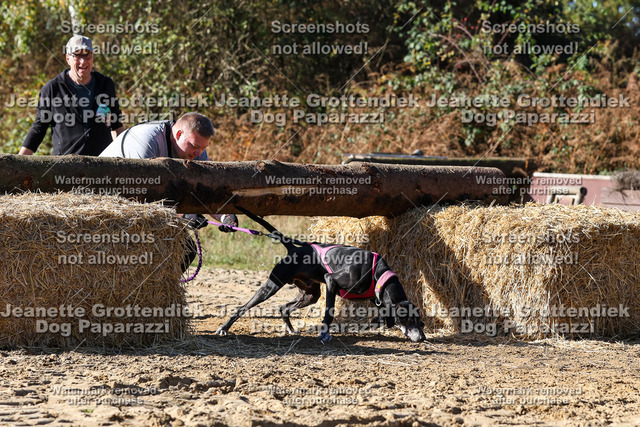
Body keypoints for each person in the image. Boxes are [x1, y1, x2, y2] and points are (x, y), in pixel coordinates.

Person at [99, 112, 238, 271]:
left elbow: (205, 191)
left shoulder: (197, 151)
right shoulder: (146, 140)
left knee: (186, 251)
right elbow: (140, 195)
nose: (199, 153)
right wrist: (182, 215)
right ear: (178, 134)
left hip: (141, 205)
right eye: (194, 146)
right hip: (111, 201)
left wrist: (225, 216)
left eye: (203, 148)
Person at [20, 35, 125, 156]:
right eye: (77, 55)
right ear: (68, 59)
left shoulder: (105, 84)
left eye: (87, 55)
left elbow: (115, 125)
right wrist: (18, 161)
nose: (83, 61)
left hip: (102, 161)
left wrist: (123, 158)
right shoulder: (52, 89)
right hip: (66, 164)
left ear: (92, 57)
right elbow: (39, 129)